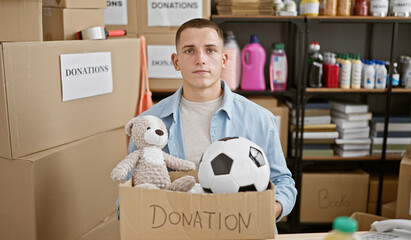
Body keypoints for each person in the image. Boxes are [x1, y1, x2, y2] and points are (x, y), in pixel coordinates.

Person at [119, 18, 297, 231]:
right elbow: (128, 194)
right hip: (175, 232)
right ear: (176, 62)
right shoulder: (149, 123)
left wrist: (269, 209)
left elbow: (283, 182)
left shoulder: (259, 118)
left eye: (210, 50)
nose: (201, 59)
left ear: (224, 60)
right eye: (189, 51)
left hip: (242, 231)